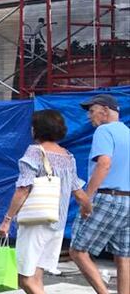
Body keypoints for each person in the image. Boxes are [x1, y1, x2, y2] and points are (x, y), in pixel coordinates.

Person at [0, 110, 91, 293]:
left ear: (36, 130)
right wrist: (87, 208)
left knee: (24, 278)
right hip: (58, 223)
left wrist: (7, 220)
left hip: (36, 222)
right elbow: (78, 192)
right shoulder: (67, 156)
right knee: (37, 274)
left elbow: (23, 188)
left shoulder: (35, 152)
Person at [70, 94, 129, 294]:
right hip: (127, 200)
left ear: (105, 110)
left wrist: (87, 197)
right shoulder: (127, 133)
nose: (89, 116)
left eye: (92, 110)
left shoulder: (104, 131)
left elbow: (104, 163)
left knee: (78, 251)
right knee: (123, 255)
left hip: (107, 197)